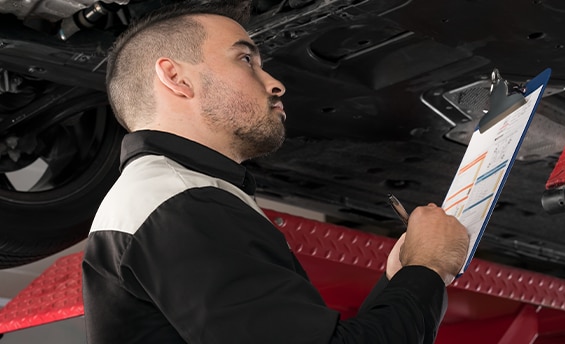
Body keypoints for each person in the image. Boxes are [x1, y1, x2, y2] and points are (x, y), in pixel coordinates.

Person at [81, 1, 470, 343]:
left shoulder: (168, 198)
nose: (276, 84)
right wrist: (426, 268)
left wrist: (401, 278)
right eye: (245, 60)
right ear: (176, 78)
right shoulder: (180, 204)